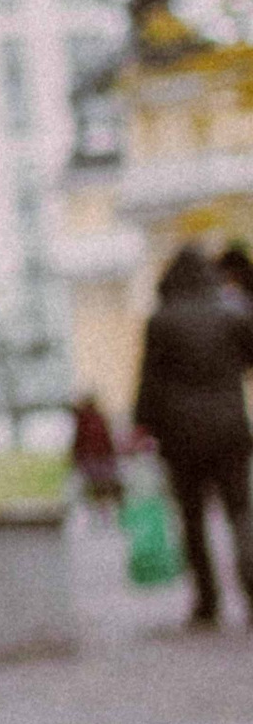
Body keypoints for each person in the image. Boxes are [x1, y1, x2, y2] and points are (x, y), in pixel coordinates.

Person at [132, 243, 253, 627]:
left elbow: (150, 379)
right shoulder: (230, 315)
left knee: (192, 519)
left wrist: (142, 424)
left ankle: (207, 603)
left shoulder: (162, 320)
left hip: (181, 435)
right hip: (230, 428)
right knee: (240, 513)